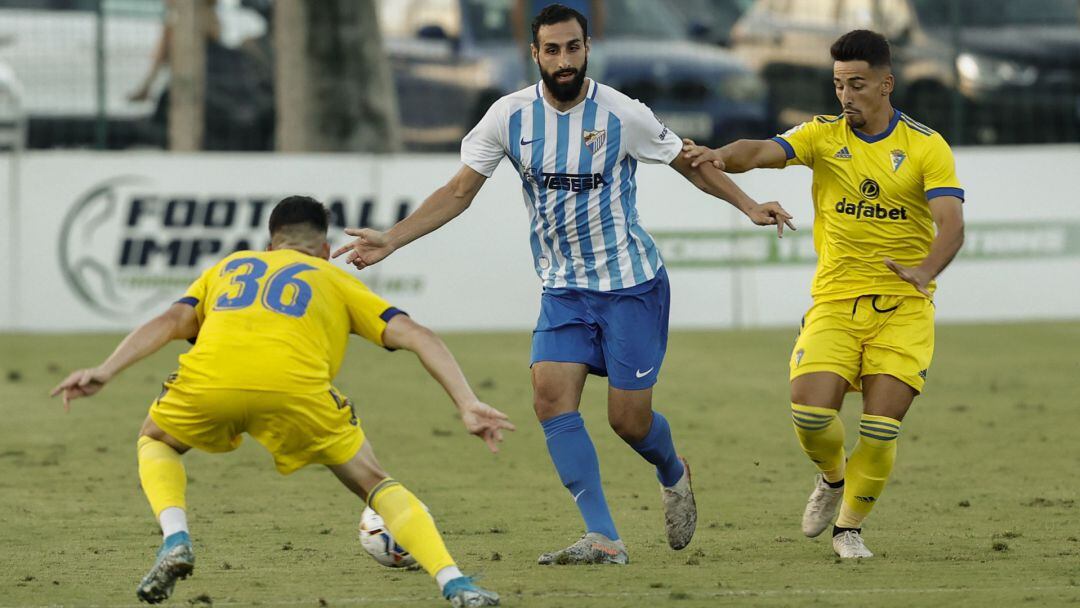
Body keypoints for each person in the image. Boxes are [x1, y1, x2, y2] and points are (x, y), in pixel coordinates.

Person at [333, 4, 794, 565]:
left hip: (631, 287)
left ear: (587, 49)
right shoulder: (509, 116)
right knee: (550, 399)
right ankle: (603, 536)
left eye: (572, 48)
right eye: (551, 50)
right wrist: (392, 239)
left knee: (629, 421)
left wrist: (747, 205)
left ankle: (673, 471)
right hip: (563, 288)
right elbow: (459, 192)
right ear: (536, 54)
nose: (563, 59)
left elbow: (688, 161)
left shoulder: (622, 113)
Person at [51, 197, 511, 606]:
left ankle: (175, 538)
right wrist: (467, 402)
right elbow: (418, 335)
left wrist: (105, 370)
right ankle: (455, 585)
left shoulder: (229, 267)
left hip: (211, 383)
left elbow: (171, 320)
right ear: (326, 250)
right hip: (297, 392)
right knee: (375, 483)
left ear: (269, 247)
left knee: (157, 442)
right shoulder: (334, 278)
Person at [682, 29, 965, 559]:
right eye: (838, 84)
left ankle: (849, 530)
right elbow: (763, 150)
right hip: (836, 302)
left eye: (857, 85)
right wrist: (720, 155)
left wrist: (924, 269)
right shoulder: (822, 135)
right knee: (811, 413)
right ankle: (833, 480)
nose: (845, 96)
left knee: (880, 431)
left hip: (904, 308)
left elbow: (951, 225)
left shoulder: (926, 146)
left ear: (887, 84)